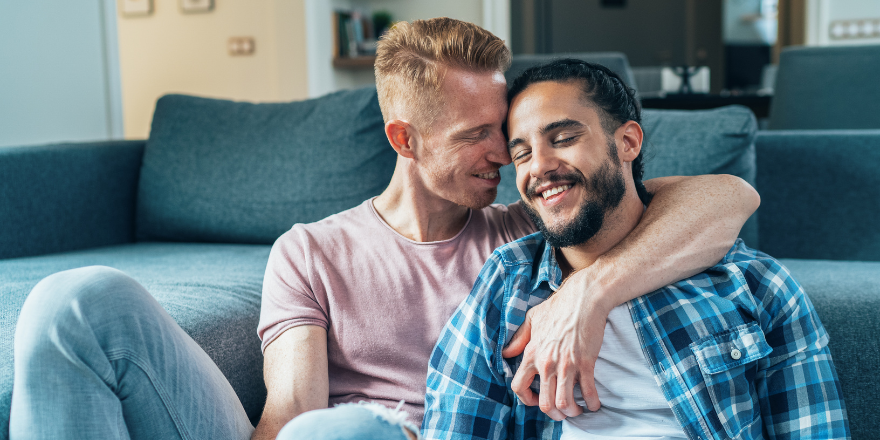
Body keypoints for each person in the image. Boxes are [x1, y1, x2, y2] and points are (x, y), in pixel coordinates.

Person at [10, 19, 757, 440]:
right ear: (404, 140)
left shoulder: (526, 230)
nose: (508, 155)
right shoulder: (312, 251)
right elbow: (289, 416)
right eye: (478, 136)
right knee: (75, 301)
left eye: (508, 132)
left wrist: (588, 292)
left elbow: (728, 198)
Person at [421, 59, 849, 440]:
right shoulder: (507, 282)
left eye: (565, 137)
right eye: (522, 154)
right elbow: (457, 420)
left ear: (628, 142)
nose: (539, 166)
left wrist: (587, 292)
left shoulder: (753, 283)